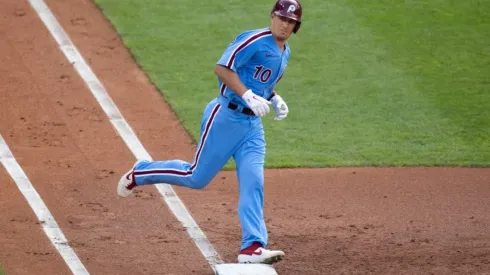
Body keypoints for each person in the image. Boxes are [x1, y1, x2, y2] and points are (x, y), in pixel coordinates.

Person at [117, 0, 303, 265]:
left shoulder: (285, 53)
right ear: (272, 17)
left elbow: (263, 82)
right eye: (281, 18)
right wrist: (247, 94)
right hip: (225, 117)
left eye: (291, 21)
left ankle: (252, 247)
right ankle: (141, 172)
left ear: (296, 27)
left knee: (253, 181)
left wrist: (273, 98)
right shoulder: (253, 40)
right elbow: (222, 68)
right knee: (197, 177)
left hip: (252, 128)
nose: (285, 24)